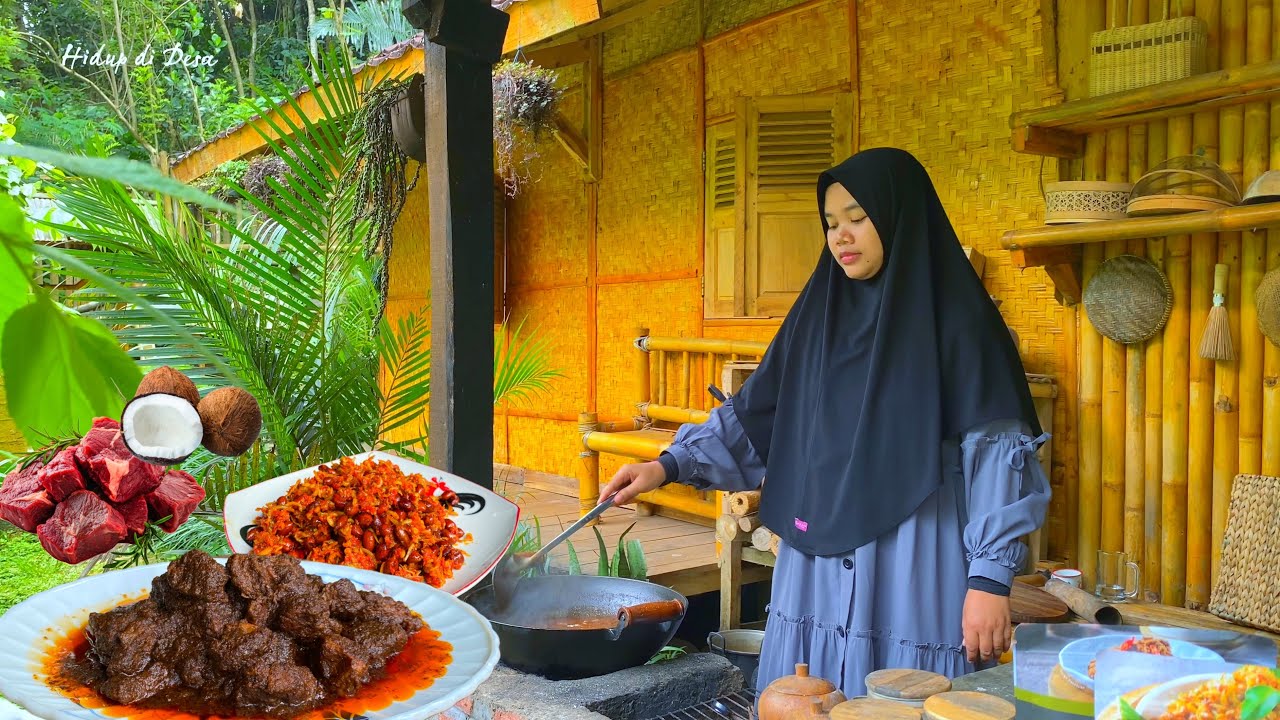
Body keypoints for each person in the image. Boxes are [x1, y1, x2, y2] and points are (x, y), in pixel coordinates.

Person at [601, 147, 1051, 697]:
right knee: (806, 696)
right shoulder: (816, 317)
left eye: (859, 219)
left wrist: (988, 580)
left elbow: (995, 455)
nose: (842, 236)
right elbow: (755, 416)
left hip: (911, 561)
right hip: (815, 571)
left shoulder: (959, 325)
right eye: (832, 223)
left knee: (906, 699)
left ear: (899, 215)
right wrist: (666, 465)